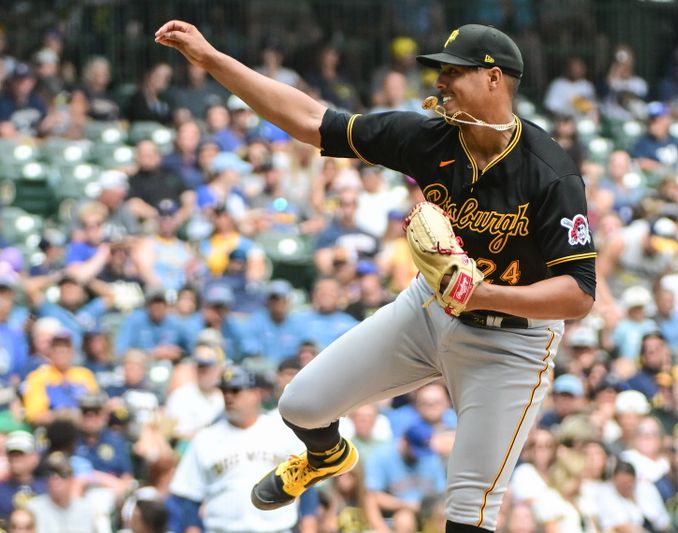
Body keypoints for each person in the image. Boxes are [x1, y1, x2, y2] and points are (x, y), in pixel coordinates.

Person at [156, 21, 596, 533]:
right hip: (428, 310)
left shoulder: (550, 172)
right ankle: (326, 458)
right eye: (440, 72)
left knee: (469, 515)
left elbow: (579, 295)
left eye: (454, 72)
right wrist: (211, 59)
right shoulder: (429, 139)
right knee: (300, 407)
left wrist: (483, 293)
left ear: (494, 79)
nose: (440, 83)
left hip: (511, 347)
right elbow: (310, 120)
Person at [168, 365, 310, 533]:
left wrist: (309, 526)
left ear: (256, 393)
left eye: (236, 390)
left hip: (278, 529)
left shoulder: (283, 431)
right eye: (224, 390)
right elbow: (188, 496)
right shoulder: (205, 438)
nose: (228, 396)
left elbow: (308, 484)